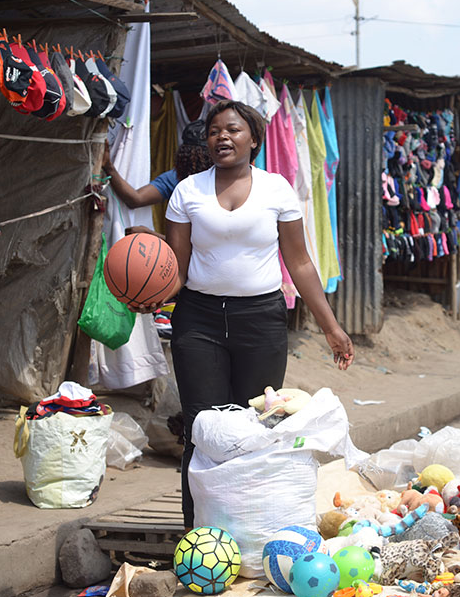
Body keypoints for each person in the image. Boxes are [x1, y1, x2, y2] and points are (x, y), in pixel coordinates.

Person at [138, 100, 355, 527]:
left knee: (259, 427)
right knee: (203, 430)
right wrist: (148, 293)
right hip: (197, 320)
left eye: (233, 129)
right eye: (215, 130)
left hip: (261, 319)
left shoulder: (276, 189)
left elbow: (301, 263)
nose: (223, 137)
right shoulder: (188, 192)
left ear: (253, 139)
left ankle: (254, 531)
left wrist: (331, 327)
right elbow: (176, 269)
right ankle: (198, 536)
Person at [102, 119, 211, 209]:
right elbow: (136, 199)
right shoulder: (177, 177)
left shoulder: (178, 177)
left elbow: (136, 199)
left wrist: (109, 167)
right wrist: (108, 167)